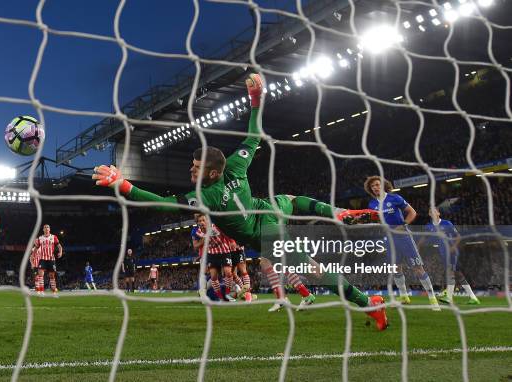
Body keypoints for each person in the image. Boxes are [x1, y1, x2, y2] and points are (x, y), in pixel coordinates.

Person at [93, 74, 387, 330]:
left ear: (210, 172)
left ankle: (366, 303)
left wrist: (125, 185)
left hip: (263, 233)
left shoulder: (205, 196)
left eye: (195, 167)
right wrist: (256, 100)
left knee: (313, 268)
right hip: (266, 208)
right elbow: (254, 134)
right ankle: (336, 212)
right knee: (292, 200)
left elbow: (162, 204)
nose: (190, 170)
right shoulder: (235, 164)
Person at [364, 176, 439, 311]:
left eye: (377, 184)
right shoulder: (372, 204)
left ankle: (432, 298)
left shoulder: (394, 198)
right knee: (396, 268)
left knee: (417, 267)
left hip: (403, 236)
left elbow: (412, 212)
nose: (375, 187)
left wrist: (404, 224)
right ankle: (404, 296)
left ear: (382, 185)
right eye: (372, 186)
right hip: (388, 239)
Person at [423, 207, 480, 305]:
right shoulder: (429, 226)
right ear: (429, 214)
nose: (432, 212)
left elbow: (458, 237)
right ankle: (473, 298)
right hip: (443, 253)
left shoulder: (447, 224)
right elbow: (427, 238)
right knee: (459, 275)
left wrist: (453, 247)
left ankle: (449, 297)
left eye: (434, 210)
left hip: (452, 252)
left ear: (438, 213)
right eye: (430, 211)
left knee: (450, 272)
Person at [34, 224, 63, 297]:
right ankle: (41, 292)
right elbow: (36, 247)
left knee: (52, 276)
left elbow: (59, 246)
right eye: (45, 227)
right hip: (42, 258)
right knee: (40, 274)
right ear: (43, 229)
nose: (46, 228)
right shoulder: (40, 238)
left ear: (49, 229)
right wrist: (34, 255)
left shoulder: (53, 237)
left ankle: (54, 292)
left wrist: (60, 252)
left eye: (48, 227)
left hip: (51, 259)